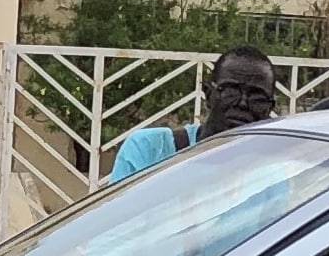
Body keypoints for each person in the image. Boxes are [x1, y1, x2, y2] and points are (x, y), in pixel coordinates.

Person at [105, 46, 279, 182]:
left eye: (257, 98)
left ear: (270, 108)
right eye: (231, 92)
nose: (242, 103)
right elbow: (113, 223)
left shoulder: (268, 177)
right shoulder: (148, 150)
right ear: (208, 94)